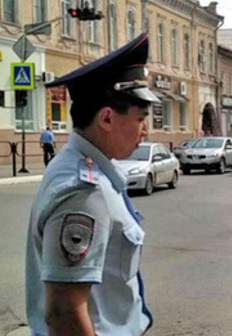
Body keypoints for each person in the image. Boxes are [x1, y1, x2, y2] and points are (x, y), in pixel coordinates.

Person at [25, 33, 160, 335]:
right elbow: (63, 313)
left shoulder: (85, 168)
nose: (145, 131)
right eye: (140, 118)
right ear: (107, 118)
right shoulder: (83, 190)